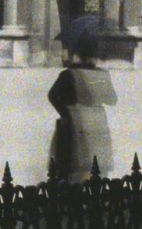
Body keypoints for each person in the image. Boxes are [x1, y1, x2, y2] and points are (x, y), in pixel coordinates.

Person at [47, 15, 116, 183]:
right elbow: (112, 99)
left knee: (71, 167)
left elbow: (52, 95)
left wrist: (66, 111)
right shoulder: (101, 75)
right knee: (96, 166)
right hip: (97, 123)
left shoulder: (69, 74)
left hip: (74, 123)